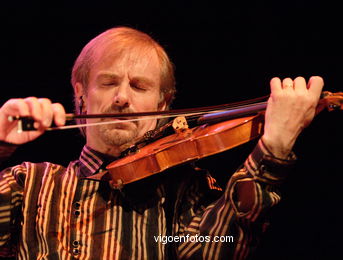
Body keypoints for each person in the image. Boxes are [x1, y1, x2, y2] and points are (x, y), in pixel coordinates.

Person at [0, 27, 323, 259]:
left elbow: (222, 247)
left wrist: (275, 146)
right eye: (108, 82)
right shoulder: (28, 184)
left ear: (164, 104)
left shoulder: (182, 192)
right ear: (81, 93)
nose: (122, 98)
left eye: (139, 87)